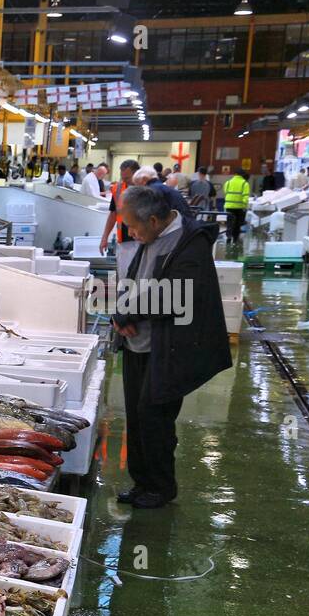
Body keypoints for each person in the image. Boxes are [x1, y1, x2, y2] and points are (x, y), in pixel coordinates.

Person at [113, 184, 233, 509]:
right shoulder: (149, 237)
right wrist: (120, 314)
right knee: (137, 416)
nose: (132, 234)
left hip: (169, 348)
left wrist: (128, 311)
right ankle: (141, 483)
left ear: (154, 221)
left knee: (156, 418)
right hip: (138, 342)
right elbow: (135, 278)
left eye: (135, 228)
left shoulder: (190, 243)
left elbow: (178, 296)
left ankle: (161, 487)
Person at [101, 159, 142, 274]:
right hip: (124, 240)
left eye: (127, 178)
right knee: (124, 276)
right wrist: (105, 237)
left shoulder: (145, 189)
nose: (124, 181)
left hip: (143, 240)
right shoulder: (118, 189)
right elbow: (113, 214)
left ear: (137, 174)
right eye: (122, 177)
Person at [222, 167, 251, 246]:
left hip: (229, 206)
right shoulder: (245, 183)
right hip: (239, 207)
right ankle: (235, 239)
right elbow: (245, 197)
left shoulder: (228, 182)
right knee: (237, 224)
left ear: (235, 174)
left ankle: (228, 237)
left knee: (229, 223)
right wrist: (245, 206)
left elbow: (225, 192)